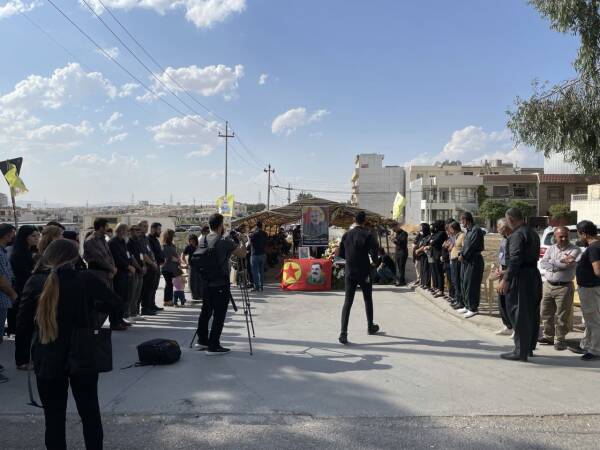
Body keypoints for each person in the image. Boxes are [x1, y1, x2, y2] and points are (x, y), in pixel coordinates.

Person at [17, 238, 120, 450]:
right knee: (90, 413)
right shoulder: (86, 279)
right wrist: (92, 311)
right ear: (74, 258)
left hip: (48, 352)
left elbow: (22, 323)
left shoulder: (35, 281)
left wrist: (23, 357)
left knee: (53, 419)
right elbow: (116, 304)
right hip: (83, 351)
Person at [196, 213, 247, 355]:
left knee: (205, 312)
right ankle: (214, 346)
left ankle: (202, 340)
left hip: (206, 282)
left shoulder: (203, 239)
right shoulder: (224, 241)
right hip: (220, 283)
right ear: (220, 225)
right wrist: (243, 241)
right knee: (219, 314)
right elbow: (242, 254)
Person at [497, 208, 542, 362]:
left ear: (510, 219)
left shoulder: (517, 235)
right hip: (533, 275)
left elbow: (515, 259)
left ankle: (520, 351)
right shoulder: (533, 233)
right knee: (531, 313)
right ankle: (528, 348)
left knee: (518, 312)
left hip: (521, 277)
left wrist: (506, 279)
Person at [338, 211, 380, 345]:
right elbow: (374, 254)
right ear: (364, 221)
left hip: (350, 272)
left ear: (354, 220)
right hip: (364, 272)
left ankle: (343, 333)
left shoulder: (346, 235)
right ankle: (370, 326)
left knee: (347, 301)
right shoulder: (368, 234)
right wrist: (374, 263)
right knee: (367, 299)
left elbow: (342, 254)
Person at [538, 226, 581, 350]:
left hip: (564, 287)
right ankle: (548, 336)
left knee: (562, 315)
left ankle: (560, 339)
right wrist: (560, 262)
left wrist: (552, 262)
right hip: (548, 285)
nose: (563, 239)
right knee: (545, 312)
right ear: (555, 237)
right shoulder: (551, 248)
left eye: (566, 236)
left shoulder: (575, 249)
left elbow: (568, 265)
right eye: (560, 236)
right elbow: (542, 263)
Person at [10, 225, 40, 368]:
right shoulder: (19, 254)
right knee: (24, 328)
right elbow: (23, 275)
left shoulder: (31, 252)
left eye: (37, 236)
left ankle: (31, 358)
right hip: (24, 292)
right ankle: (22, 361)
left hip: (33, 292)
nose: (36, 239)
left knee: (33, 329)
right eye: (33, 236)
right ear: (25, 237)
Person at [572, 221, 600, 361]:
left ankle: (595, 350)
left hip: (590, 289)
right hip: (590, 288)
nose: (579, 237)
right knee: (590, 320)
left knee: (593, 320)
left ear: (584, 233)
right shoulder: (595, 246)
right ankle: (587, 345)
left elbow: (597, 270)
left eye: (579, 234)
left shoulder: (594, 248)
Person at [457, 212, 485, 318]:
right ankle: (467, 305)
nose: (461, 223)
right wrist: (461, 253)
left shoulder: (476, 230)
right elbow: (465, 246)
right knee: (464, 283)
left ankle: (473, 308)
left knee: (471, 284)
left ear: (466, 220)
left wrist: (463, 255)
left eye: (462, 220)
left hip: (474, 260)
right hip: (466, 260)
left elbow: (471, 246)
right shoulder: (468, 231)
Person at [108, 223, 135, 329]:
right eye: (124, 230)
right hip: (118, 274)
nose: (126, 232)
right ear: (119, 230)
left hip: (125, 273)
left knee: (124, 298)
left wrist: (130, 266)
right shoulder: (113, 242)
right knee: (117, 298)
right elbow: (117, 258)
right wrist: (128, 266)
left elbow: (127, 255)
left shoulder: (123, 242)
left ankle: (120, 319)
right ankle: (114, 322)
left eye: (126, 230)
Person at [493, 218, 514, 336]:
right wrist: (499, 268)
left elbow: (515, 262)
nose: (497, 229)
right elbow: (501, 256)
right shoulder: (503, 240)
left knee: (510, 301)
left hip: (510, 274)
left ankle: (515, 327)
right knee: (501, 301)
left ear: (505, 227)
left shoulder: (513, 240)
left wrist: (505, 272)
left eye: (498, 227)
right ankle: (507, 325)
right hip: (502, 271)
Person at [138, 220, 161, 315]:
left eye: (147, 226)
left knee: (151, 288)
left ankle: (149, 306)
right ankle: (145, 308)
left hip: (152, 266)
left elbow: (150, 252)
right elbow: (143, 254)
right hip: (147, 266)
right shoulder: (140, 238)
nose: (146, 228)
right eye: (144, 226)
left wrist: (154, 261)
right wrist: (152, 263)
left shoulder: (145, 238)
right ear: (139, 227)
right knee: (146, 289)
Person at [0, 224, 17, 343]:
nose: (13, 236)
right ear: (7, 235)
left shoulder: (3, 251)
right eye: (12, 233)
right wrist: (12, 294)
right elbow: (1, 279)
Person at [126, 225, 145, 320]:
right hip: (134, 271)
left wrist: (144, 265)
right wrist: (140, 268)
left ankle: (134, 312)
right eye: (136, 230)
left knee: (137, 294)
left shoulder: (138, 242)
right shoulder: (129, 243)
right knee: (132, 294)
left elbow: (142, 255)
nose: (138, 231)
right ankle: (129, 313)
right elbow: (132, 257)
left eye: (139, 230)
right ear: (130, 232)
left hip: (140, 271)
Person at [160, 228, 181, 307]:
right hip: (166, 268)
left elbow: (175, 254)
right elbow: (168, 257)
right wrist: (176, 259)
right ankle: (167, 300)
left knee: (170, 284)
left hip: (172, 268)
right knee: (169, 284)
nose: (173, 237)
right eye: (172, 235)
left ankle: (169, 300)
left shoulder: (172, 245)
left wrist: (178, 259)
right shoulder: (164, 246)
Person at [428, 220, 447, 298]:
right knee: (436, 272)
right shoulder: (436, 233)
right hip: (434, 255)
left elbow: (433, 242)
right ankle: (438, 288)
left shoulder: (442, 233)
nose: (434, 227)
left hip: (439, 255)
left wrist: (432, 241)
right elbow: (430, 240)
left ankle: (441, 290)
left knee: (440, 273)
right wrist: (432, 241)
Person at [148, 222, 165, 308]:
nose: (160, 231)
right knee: (150, 287)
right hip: (151, 267)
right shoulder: (148, 240)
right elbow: (150, 253)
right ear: (153, 229)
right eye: (158, 229)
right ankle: (148, 306)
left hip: (157, 266)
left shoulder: (156, 240)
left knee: (154, 287)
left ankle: (152, 304)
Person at [448, 221, 464, 310]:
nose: (449, 230)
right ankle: (457, 299)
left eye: (450, 228)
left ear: (454, 228)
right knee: (454, 281)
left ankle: (460, 301)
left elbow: (464, 248)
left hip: (458, 261)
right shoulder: (456, 236)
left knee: (458, 281)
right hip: (453, 261)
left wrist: (460, 255)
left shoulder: (462, 236)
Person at [249, 221, 268, 292]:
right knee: (261, 271)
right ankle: (261, 286)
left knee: (255, 272)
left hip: (255, 254)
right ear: (261, 226)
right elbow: (266, 242)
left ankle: (256, 287)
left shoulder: (254, 234)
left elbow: (249, 242)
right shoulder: (265, 234)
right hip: (263, 254)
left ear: (256, 226)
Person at [416, 223, 432, 290]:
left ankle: (426, 284)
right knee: (422, 269)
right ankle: (422, 282)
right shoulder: (423, 236)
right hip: (421, 255)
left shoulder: (429, 236)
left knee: (426, 269)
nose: (421, 230)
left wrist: (418, 250)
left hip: (426, 255)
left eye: (421, 229)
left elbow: (424, 245)